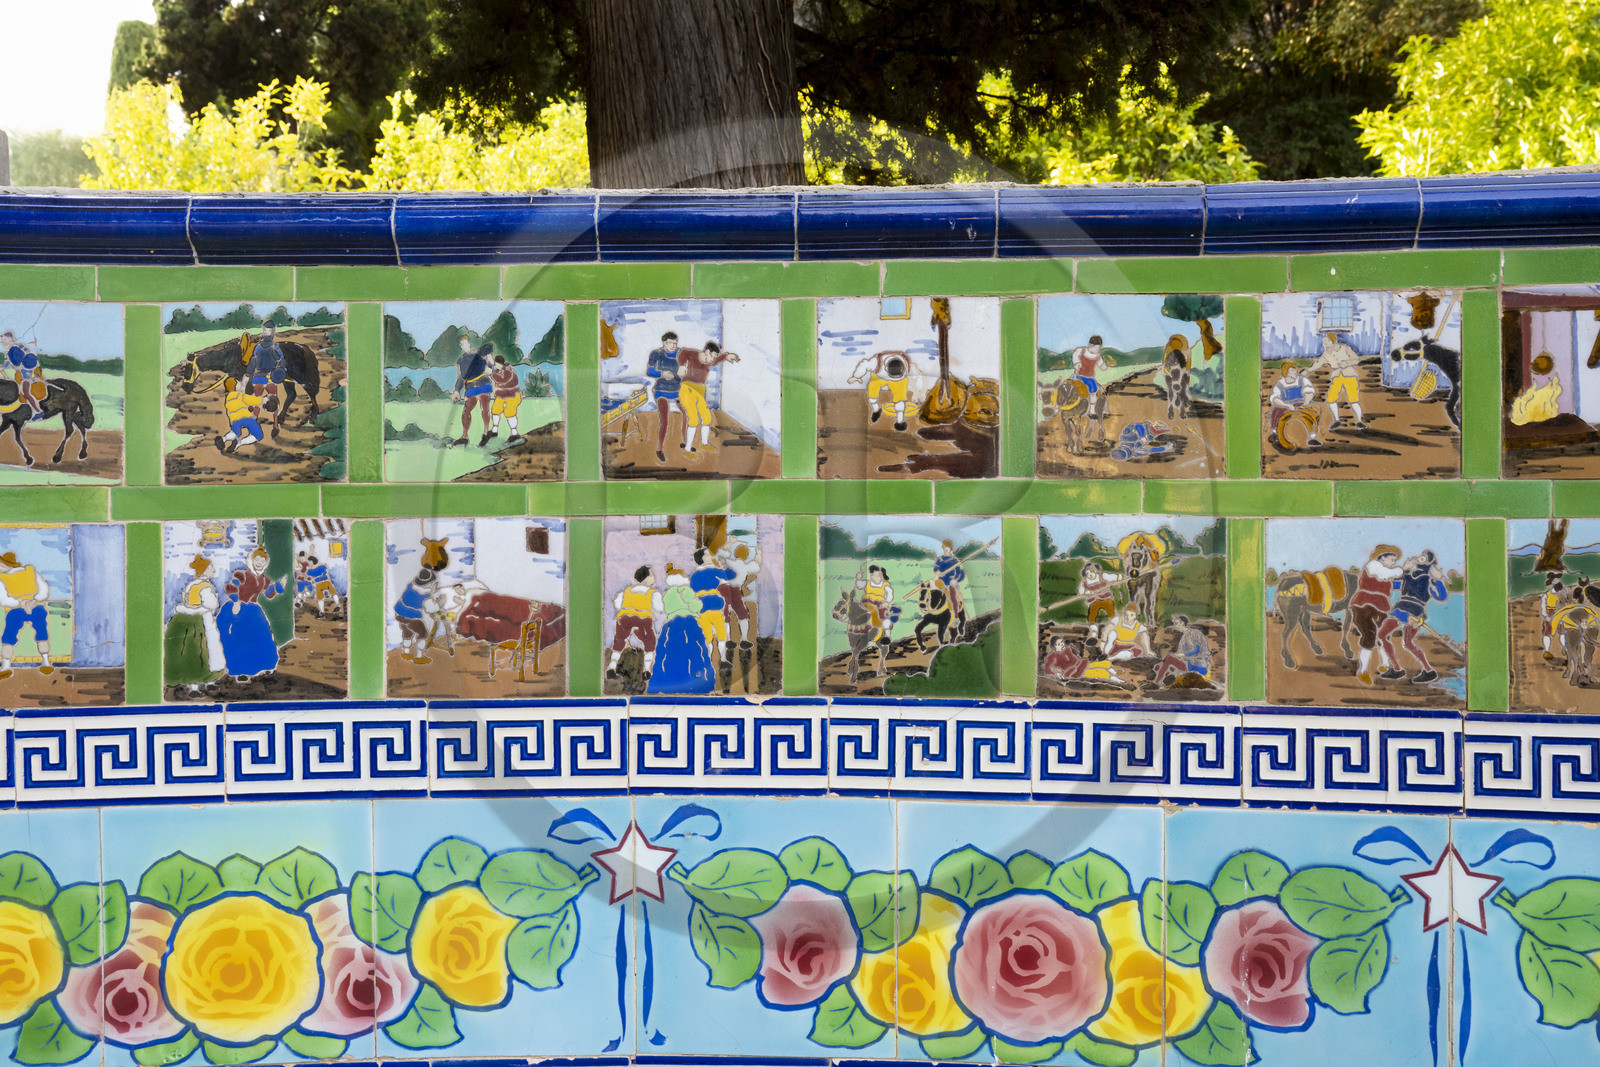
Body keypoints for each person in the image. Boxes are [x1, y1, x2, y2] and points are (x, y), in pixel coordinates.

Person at [217, 547, 283, 680]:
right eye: (257, 559)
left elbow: (269, 594)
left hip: (252, 609)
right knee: (240, 638)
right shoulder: (242, 574)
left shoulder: (264, 579)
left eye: (263, 560)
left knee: (263, 634)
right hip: (236, 606)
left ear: (266, 563)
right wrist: (236, 602)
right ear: (251, 560)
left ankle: (265, 665)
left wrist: (279, 586)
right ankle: (241, 670)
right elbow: (231, 588)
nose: (259, 562)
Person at [648, 563, 714, 694]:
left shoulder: (668, 593)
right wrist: (699, 604)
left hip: (671, 625)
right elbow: (695, 606)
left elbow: (664, 609)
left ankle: (673, 679)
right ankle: (695, 681)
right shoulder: (685, 590)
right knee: (694, 650)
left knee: (671, 651)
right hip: (688, 623)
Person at [165, 554, 224, 693]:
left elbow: (186, 601)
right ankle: (200, 682)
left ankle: (201, 682)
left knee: (198, 651)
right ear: (204, 570)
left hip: (189, 618)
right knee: (206, 650)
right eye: (210, 568)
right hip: (202, 620)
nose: (213, 570)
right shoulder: (205, 587)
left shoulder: (191, 584)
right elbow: (212, 604)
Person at [1351, 544, 1405, 686]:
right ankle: (1362, 671)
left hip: (1381, 608)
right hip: (1364, 605)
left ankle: (1385, 664)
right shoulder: (1373, 565)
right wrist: (1403, 569)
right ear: (1382, 557)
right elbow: (1387, 574)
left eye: (1395, 560)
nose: (1394, 563)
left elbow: (1394, 583)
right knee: (1370, 636)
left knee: (1383, 635)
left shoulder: (1387, 573)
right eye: (1392, 559)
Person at [1391, 550, 1449, 684]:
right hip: (1399, 609)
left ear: (1429, 563)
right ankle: (1395, 666)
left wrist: (1438, 579)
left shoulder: (1428, 579)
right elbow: (1393, 585)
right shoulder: (1408, 575)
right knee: (1385, 633)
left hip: (1414, 612)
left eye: (1423, 558)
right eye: (1420, 557)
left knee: (1408, 643)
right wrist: (1403, 570)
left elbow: (1441, 596)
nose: (1418, 559)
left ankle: (1428, 670)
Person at [677, 340, 739, 455]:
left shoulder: (708, 361)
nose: (713, 360)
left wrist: (726, 356)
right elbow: (683, 352)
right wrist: (681, 365)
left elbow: (717, 360)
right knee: (694, 418)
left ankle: (704, 443)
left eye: (715, 357)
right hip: (687, 388)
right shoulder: (693, 354)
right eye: (713, 356)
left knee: (706, 416)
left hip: (700, 389)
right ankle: (687, 449)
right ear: (707, 352)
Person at [0, 551, 52, 680]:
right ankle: (7, 665)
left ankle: (7, 665)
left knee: (10, 633)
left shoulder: (29, 571)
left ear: (5, 565)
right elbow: (43, 590)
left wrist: (30, 601)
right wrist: (25, 602)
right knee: (39, 630)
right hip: (25, 607)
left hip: (26, 607)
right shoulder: (28, 571)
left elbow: (3, 599)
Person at [609, 565, 664, 682]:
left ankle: (612, 667)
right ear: (646, 579)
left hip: (624, 618)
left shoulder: (626, 591)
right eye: (651, 575)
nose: (654, 577)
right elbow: (659, 608)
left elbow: (617, 605)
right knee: (650, 643)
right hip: (643, 620)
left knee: (619, 642)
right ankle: (646, 670)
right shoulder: (653, 593)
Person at [690, 546, 738, 667]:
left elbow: (693, 589)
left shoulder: (693, 575)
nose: (710, 557)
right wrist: (723, 565)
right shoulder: (713, 570)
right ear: (702, 558)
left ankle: (707, 662)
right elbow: (731, 574)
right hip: (715, 606)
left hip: (701, 607)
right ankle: (722, 660)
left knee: (707, 636)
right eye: (707, 554)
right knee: (721, 635)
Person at [1310, 331, 1366, 430]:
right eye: (1323, 342)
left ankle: (1359, 421)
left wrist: (1347, 363)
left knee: (1353, 399)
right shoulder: (1326, 353)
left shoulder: (1344, 348)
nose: (1324, 344)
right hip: (1336, 377)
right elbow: (1318, 363)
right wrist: (1307, 370)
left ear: (1332, 341)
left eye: (1326, 341)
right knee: (1331, 399)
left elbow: (1357, 360)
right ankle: (1337, 420)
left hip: (1349, 375)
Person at [847, 351, 913, 432]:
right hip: (879, 378)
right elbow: (864, 365)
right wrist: (856, 376)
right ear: (885, 368)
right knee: (872, 392)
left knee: (900, 398)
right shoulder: (876, 362)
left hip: (899, 381)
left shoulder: (905, 361)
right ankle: (876, 410)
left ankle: (900, 422)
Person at [244, 321, 287, 438]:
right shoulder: (275, 347)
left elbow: (253, 362)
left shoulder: (258, 347)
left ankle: (254, 423)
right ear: (273, 332)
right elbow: (282, 360)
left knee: (257, 402)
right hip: (270, 378)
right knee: (275, 401)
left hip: (258, 378)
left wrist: (248, 374)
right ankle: (275, 425)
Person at [450, 333, 494, 446]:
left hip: (483, 382)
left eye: (464, 343)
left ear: (469, 343)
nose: (463, 346)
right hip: (470, 387)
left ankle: (485, 434)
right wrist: (456, 390)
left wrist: (489, 363)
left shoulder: (479, 353)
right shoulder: (460, 361)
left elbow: (489, 352)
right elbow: (460, 378)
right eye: (461, 344)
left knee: (485, 407)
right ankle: (465, 437)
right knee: (466, 411)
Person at [646, 331, 684, 462]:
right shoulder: (657, 353)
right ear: (664, 343)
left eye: (675, 343)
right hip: (662, 390)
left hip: (677, 390)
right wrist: (662, 374)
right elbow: (649, 371)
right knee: (665, 420)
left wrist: (685, 371)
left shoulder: (681, 354)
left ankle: (685, 443)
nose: (673, 345)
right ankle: (659, 449)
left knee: (686, 414)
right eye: (669, 343)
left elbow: (691, 367)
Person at [1267, 362, 1322, 447]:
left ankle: (1312, 438)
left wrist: (1306, 402)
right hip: (1285, 405)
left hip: (1301, 404)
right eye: (1292, 370)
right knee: (1276, 412)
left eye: (1295, 370)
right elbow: (1275, 399)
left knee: (1309, 415)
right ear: (1286, 372)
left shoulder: (1301, 379)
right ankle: (1275, 433)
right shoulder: (1280, 384)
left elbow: (1309, 391)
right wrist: (1287, 405)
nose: (1295, 372)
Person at [393, 567, 439, 665]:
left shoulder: (410, 586)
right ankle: (419, 656)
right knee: (423, 634)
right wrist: (438, 601)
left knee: (407, 632)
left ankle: (406, 652)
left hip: (400, 615)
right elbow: (432, 609)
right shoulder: (425, 597)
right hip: (412, 619)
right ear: (430, 584)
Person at [720, 542, 761, 651]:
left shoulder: (730, 562)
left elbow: (720, 555)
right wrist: (758, 553)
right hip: (736, 590)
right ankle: (744, 640)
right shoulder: (747, 566)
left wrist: (729, 543)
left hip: (725, 588)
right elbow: (757, 564)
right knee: (742, 614)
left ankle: (728, 640)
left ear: (735, 553)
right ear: (747, 555)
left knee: (726, 613)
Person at [1041, 633, 1123, 685]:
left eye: (1062, 642)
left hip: (1081, 663)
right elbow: (1047, 669)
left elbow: (1075, 652)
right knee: (1098, 672)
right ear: (1054, 647)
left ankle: (1115, 673)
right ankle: (1119, 681)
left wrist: (1075, 652)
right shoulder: (1052, 656)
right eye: (1059, 644)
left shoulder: (1067, 648)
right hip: (1074, 671)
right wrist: (1056, 673)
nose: (1062, 645)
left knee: (1102, 664)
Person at [1155, 615, 1212, 686]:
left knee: (1169, 658)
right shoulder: (1183, 637)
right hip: (1189, 664)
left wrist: (1180, 655)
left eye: (1176, 623)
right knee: (1167, 662)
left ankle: (1156, 683)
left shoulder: (1194, 633)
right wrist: (1176, 656)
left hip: (1197, 665)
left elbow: (1197, 651)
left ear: (1182, 623)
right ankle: (1159, 682)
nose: (1174, 626)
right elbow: (1180, 655)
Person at [215, 377, 267, 454]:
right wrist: (264, 400)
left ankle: (224, 439)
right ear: (235, 386)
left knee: (235, 433)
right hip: (247, 418)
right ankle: (240, 443)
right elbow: (253, 400)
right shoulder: (240, 396)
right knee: (258, 435)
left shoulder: (228, 399)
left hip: (235, 421)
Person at [485, 354, 527, 447]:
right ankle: (494, 430)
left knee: (509, 412)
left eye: (495, 364)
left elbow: (502, 379)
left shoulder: (508, 370)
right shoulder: (499, 369)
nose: (494, 366)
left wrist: (491, 373)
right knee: (495, 409)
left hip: (512, 395)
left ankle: (514, 434)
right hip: (502, 395)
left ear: (499, 363)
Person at [1, 331, 44, 419]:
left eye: (5, 339)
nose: (3, 341)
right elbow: (7, 364)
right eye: (2, 339)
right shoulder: (8, 352)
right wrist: (2, 368)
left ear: (11, 340)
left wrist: (30, 372)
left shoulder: (19, 347)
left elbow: (31, 359)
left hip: (28, 373)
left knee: (26, 392)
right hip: (22, 374)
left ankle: (38, 411)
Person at [932, 541, 968, 631]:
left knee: (953, 597)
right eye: (944, 550)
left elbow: (962, 574)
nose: (946, 552)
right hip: (940, 583)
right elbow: (935, 568)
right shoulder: (939, 560)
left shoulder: (955, 561)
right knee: (930, 593)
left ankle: (956, 617)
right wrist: (937, 572)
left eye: (947, 550)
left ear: (951, 550)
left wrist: (955, 580)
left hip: (950, 584)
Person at [1110, 420, 1176, 461]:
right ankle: (1167, 430)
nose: (1131, 450)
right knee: (1156, 433)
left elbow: (1137, 426)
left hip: (1146, 427)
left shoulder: (1124, 437)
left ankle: (1165, 429)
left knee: (1158, 429)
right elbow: (1150, 451)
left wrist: (1142, 435)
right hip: (1151, 436)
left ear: (1121, 448)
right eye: (1129, 454)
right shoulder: (1135, 453)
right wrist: (1165, 448)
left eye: (1128, 451)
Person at [299, 552, 340, 617]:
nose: (309, 563)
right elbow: (325, 572)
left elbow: (309, 574)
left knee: (320, 598)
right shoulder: (322, 566)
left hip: (319, 584)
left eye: (309, 562)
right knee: (333, 593)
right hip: (326, 582)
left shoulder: (310, 571)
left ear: (312, 562)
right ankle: (337, 605)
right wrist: (324, 567)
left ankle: (321, 612)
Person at [1542, 574, 1565, 661]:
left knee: (1563, 632)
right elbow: (1543, 606)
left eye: (1558, 580)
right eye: (1555, 580)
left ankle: (1564, 648)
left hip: (1560, 614)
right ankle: (1547, 651)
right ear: (1552, 582)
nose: (1558, 582)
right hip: (1549, 614)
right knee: (1547, 633)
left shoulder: (1563, 593)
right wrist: (1545, 616)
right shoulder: (1547, 594)